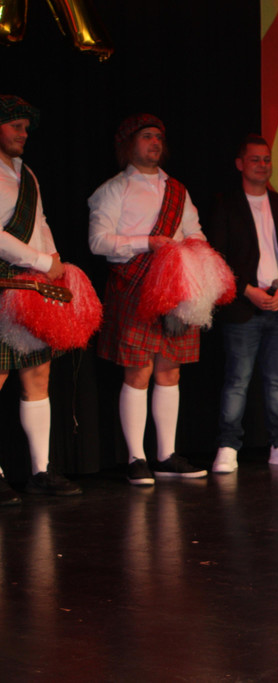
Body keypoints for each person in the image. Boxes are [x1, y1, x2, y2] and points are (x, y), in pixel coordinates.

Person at [88, 114, 208, 485]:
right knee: (137, 372)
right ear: (128, 144)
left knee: (170, 371)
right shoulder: (113, 190)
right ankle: (135, 459)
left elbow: (195, 233)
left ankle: (166, 456)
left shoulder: (178, 190)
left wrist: (193, 256)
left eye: (158, 137)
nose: (155, 142)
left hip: (174, 288)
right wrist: (147, 243)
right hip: (134, 286)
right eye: (146, 136)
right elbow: (98, 241)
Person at [206, 135, 278, 473]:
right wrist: (246, 290)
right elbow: (216, 258)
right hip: (243, 307)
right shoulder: (226, 205)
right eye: (255, 159)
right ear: (240, 164)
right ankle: (227, 446)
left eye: (266, 159)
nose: (262, 165)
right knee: (238, 379)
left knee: (277, 380)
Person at [0, 95, 82, 504]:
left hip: (32, 287)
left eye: (26, 128)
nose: (24, 133)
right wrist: (39, 260)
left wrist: (54, 261)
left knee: (38, 376)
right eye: (15, 125)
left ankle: (40, 471)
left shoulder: (27, 173)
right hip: (3, 283)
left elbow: (41, 222)